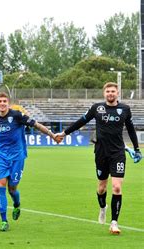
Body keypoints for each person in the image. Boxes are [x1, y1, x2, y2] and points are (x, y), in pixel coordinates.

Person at [57, 82, 141, 234]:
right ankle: (103, 208)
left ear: (118, 93)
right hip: (101, 153)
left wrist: (137, 149)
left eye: (113, 91)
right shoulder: (97, 108)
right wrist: (64, 133)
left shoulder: (125, 109)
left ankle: (114, 223)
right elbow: (81, 121)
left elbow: (131, 129)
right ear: (104, 93)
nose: (110, 93)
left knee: (116, 187)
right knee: (102, 188)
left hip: (118, 154)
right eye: (108, 91)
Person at [0, 92, 62, 231]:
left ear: (8, 103)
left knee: (12, 188)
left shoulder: (17, 115)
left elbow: (36, 124)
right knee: (0, 186)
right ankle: (4, 221)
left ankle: (17, 204)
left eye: (4, 101)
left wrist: (52, 135)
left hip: (17, 157)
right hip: (1, 157)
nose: (2, 103)